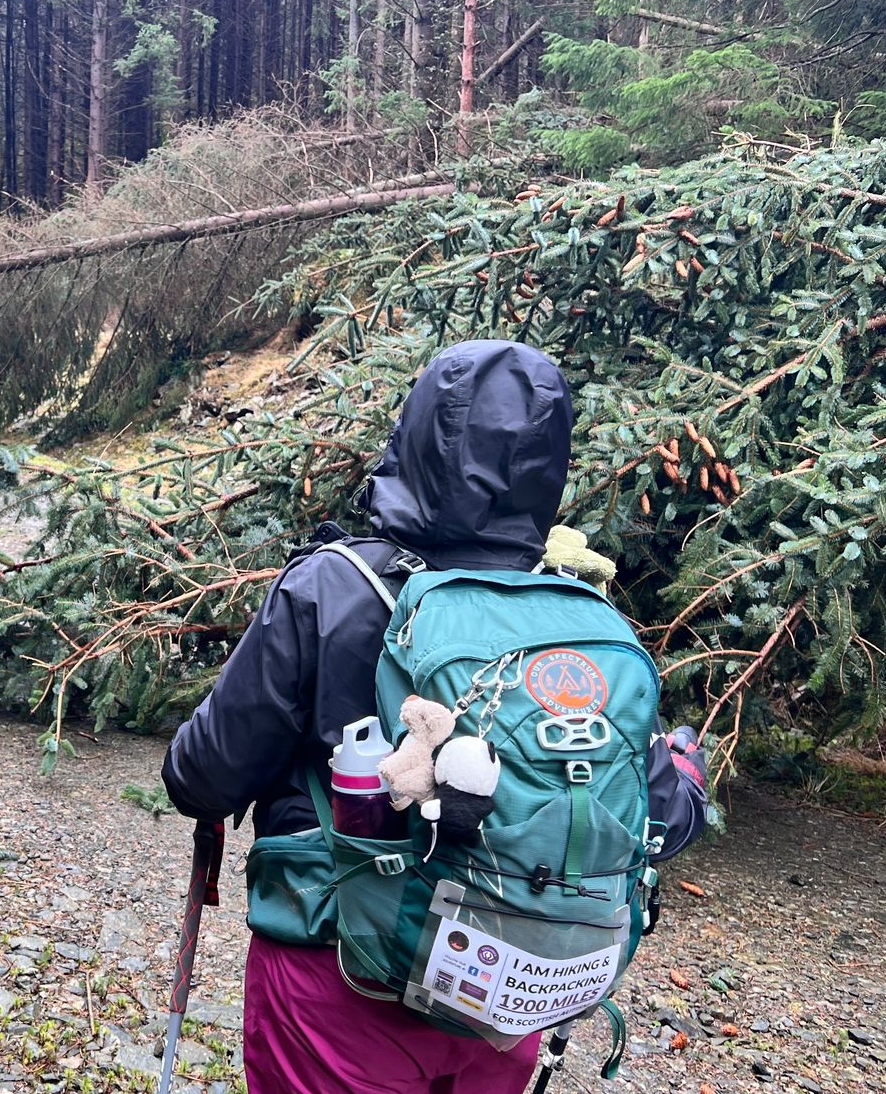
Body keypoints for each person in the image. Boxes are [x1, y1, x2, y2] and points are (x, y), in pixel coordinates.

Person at [162, 339, 709, 1094]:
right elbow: (659, 819)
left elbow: (202, 777)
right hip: (498, 994)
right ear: (548, 468)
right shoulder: (568, 626)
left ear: (411, 440)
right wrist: (686, 765)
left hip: (339, 980)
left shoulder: (332, 585)